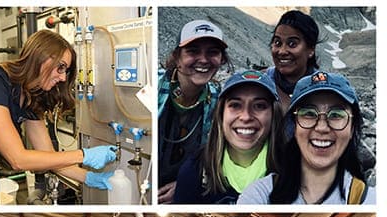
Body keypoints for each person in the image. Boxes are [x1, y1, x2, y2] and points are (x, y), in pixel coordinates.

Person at [0, 30, 117, 205]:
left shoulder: (33, 94)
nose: (64, 77)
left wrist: (89, 178)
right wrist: (84, 155)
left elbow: (49, 157)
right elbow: (18, 159)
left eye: (66, 70)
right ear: (41, 58)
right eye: (61, 67)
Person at [239, 71, 373, 205]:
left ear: (352, 129)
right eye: (309, 113)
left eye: (336, 115)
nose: (322, 127)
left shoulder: (369, 200)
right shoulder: (259, 195)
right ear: (294, 126)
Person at [173, 70, 281, 204]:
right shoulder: (193, 170)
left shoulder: (292, 169)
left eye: (259, 106)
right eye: (235, 105)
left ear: (274, 115)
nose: (246, 116)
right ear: (221, 113)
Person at [157, 20, 229, 203]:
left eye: (212, 52)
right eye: (193, 51)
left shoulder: (217, 100)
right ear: (177, 57)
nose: (203, 59)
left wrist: (183, 184)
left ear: (221, 60)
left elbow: (212, 154)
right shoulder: (152, 87)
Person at [266, 10, 320, 107]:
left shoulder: (323, 88)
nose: (282, 51)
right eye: (277, 43)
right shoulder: (261, 82)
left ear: (311, 50)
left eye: (292, 44)